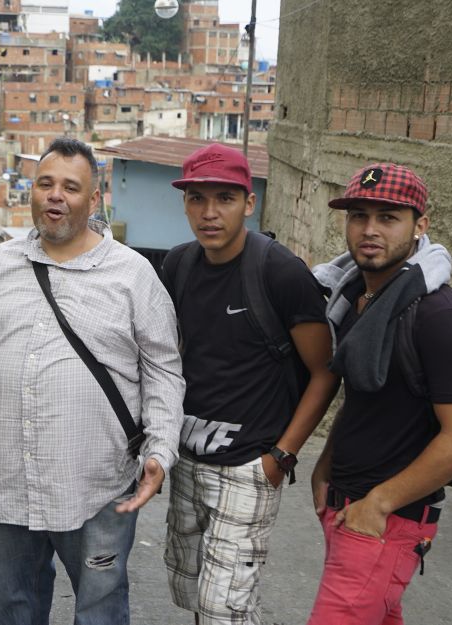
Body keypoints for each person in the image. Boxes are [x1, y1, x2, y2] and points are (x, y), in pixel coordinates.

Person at [0, 137, 184, 624]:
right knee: (13, 607)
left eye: (71, 187)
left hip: (98, 485)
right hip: (9, 480)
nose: (55, 196)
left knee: (100, 609)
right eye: (45, 184)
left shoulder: (133, 275)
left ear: (94, 200)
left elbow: (163, 369)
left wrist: (161, 450)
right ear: (30, 192)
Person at [159, 143, 339, 625]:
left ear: (249, 202)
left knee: (227, 606)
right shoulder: (178, 265)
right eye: (197, 199)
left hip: (249, 464)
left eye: (225, 198)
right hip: (188, 459)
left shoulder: (279, 272)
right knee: (193, 590)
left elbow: (325, 371)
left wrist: (281, 456)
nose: (209, 213)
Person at [306, 163, 452, 625]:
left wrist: (379, 504)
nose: (369, 230)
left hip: (387, 519)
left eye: (388, 217)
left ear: (420, 226)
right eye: (358, 215)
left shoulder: (438, 314)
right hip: (350, 510)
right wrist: (325, 465)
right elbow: (367, 398)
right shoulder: (354, 300)